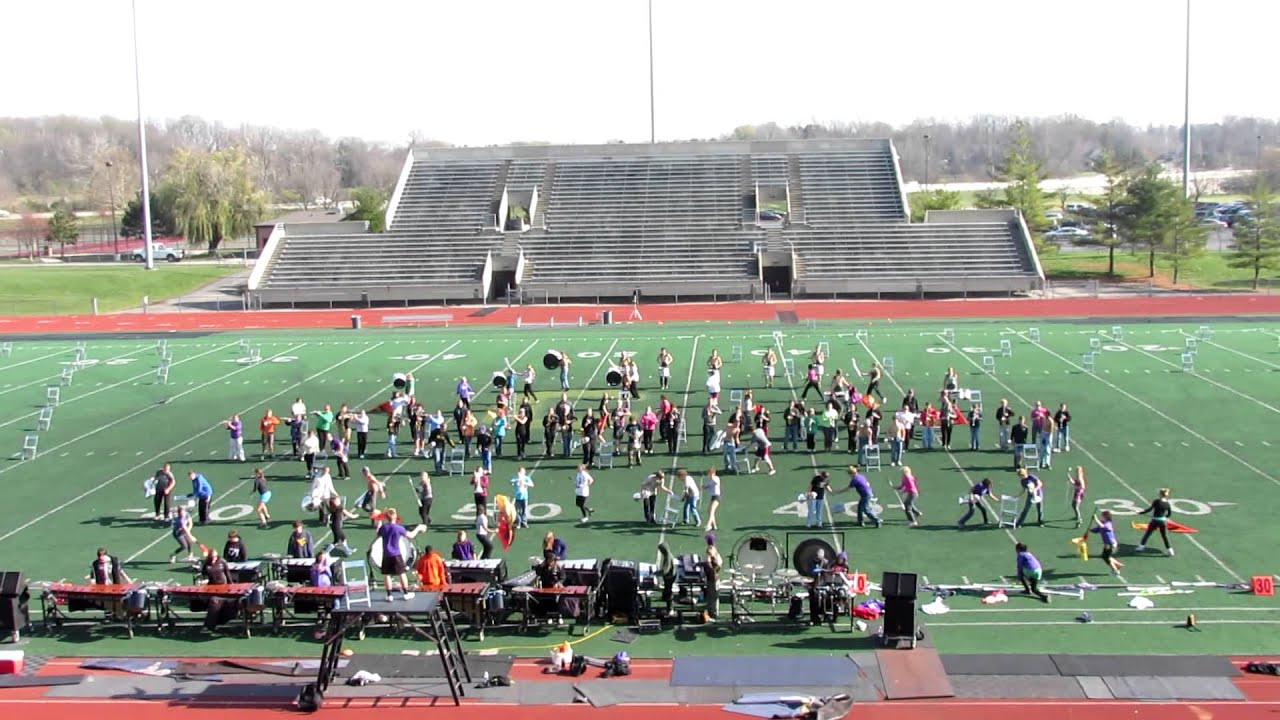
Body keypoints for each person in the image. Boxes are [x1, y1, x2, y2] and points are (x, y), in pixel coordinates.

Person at [375, 509, 426, 601]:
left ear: (387, 517)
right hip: (396, 554)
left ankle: (389, 595)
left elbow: (378, 533)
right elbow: (411, 535)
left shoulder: (384, 528)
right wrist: (418, 528)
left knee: (387, 574)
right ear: (395, 516)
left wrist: (379, 520)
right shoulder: (399, 528)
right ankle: (406, 593)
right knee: (401, 573)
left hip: (386, 554)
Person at [1136, 488, 1175, 556]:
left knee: (1148, 534)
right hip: (1163, 522)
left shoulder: (1157, 501)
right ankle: (1170, 550)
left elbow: (1149, 509)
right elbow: (1169, 514)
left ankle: (1141, 547)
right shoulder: (1167, 504)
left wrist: (1140, 512)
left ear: (1160, 494)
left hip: (1155, 521)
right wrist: (1165, 518)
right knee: (1164, 536)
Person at [1083, 510, 1124, 574]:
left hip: (1111, 544)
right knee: (1105, 556)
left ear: (1105, 517)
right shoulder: (1102, 523)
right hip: (1107, 544)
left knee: (1106, 558)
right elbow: (1096, 530)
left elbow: (1102, 526)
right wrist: (1089, 530)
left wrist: (1095, 519)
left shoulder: (1108, 524)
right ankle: (1118, 564)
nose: (1101, 517)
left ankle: (1115, 570)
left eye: (1102, 516)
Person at [702, 533, 723, 622]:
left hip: (712, 578)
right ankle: (713, 612)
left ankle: (713, 614)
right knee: (714, 596)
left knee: (712, 596)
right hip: (715, 577)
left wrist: (709, 567)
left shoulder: (710, 550)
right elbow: (720, 562)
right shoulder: (715, 549)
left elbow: (708, 561)